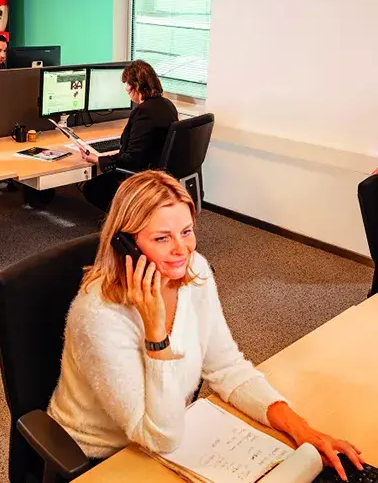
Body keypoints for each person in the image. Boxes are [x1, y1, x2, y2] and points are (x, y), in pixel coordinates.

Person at [48, 171, 363, 481]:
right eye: (161, 238)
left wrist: (303, 431)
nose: (181, 249)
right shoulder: (100, 314)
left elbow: (226, 367)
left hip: (170, 432)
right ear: (125, 245)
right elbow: (159, 438)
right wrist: (156, 334)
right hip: (104, 458)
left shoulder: (193, 271)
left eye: (186, 231)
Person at [81, 60, 178, 212]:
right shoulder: (167, 105)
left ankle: (127, 222)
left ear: (137, 85)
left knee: (92, 188)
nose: (126, 88)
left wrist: (99, 159)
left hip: (141, 177)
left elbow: (131, 159)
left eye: (127, 83)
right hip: (158, 173)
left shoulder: (143, 112)